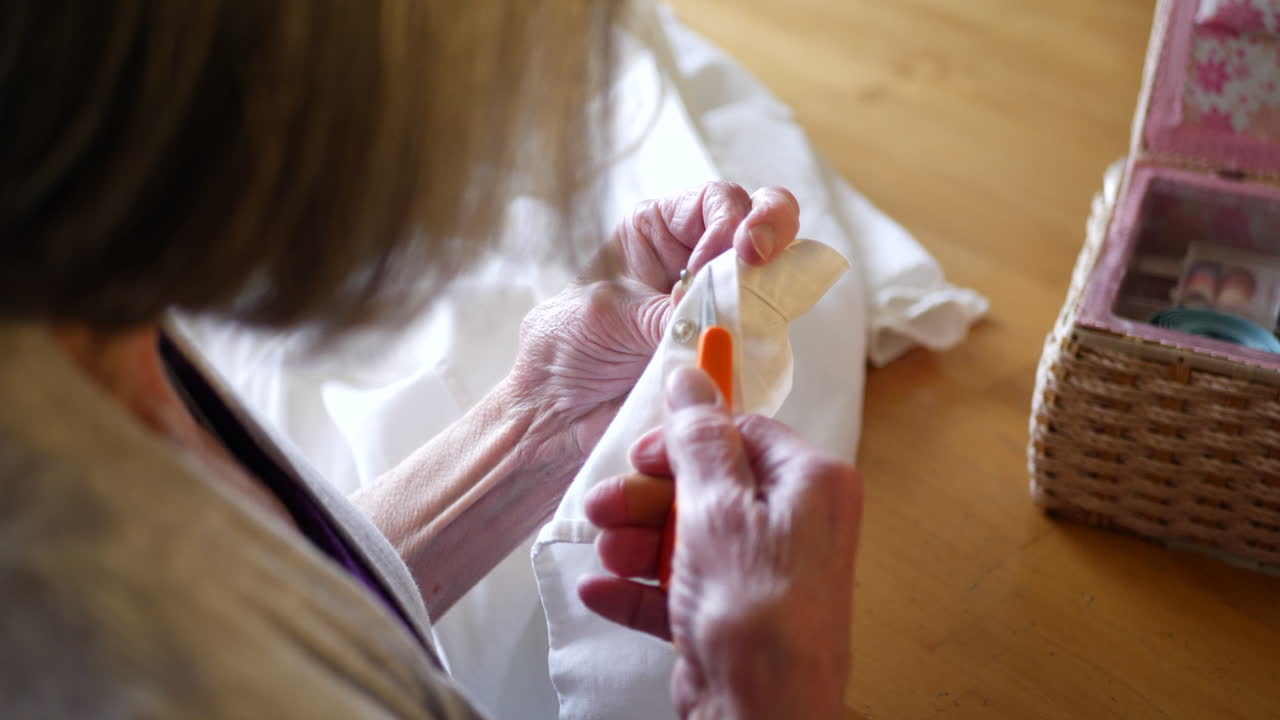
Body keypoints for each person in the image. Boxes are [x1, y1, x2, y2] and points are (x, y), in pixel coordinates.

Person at [0, 2, 863, 718]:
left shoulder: (68, 318)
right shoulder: (134, 661)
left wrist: (541, 420)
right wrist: (768, 700)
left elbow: (287, 599)